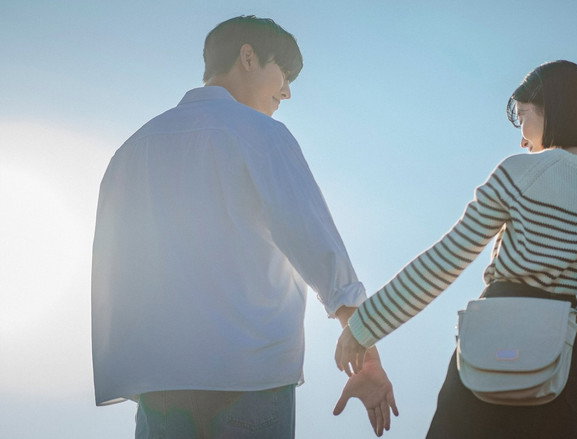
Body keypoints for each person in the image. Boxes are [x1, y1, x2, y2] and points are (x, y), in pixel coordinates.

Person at [92, 16, 397, 439]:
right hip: (249, 377)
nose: (287, 92)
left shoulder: (129, 150)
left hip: (159, 387)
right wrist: (366, 346)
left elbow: (114, 271)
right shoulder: (260, 133)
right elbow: (314, 241)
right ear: (248, 57)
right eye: (284, 73)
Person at [335, 60, 577, 439]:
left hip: (491, 352)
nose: (522, 139)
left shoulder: (522, 172)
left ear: (552, 109)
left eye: (523, 116)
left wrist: (364, 326)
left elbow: (447, 257)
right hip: (574, 373)